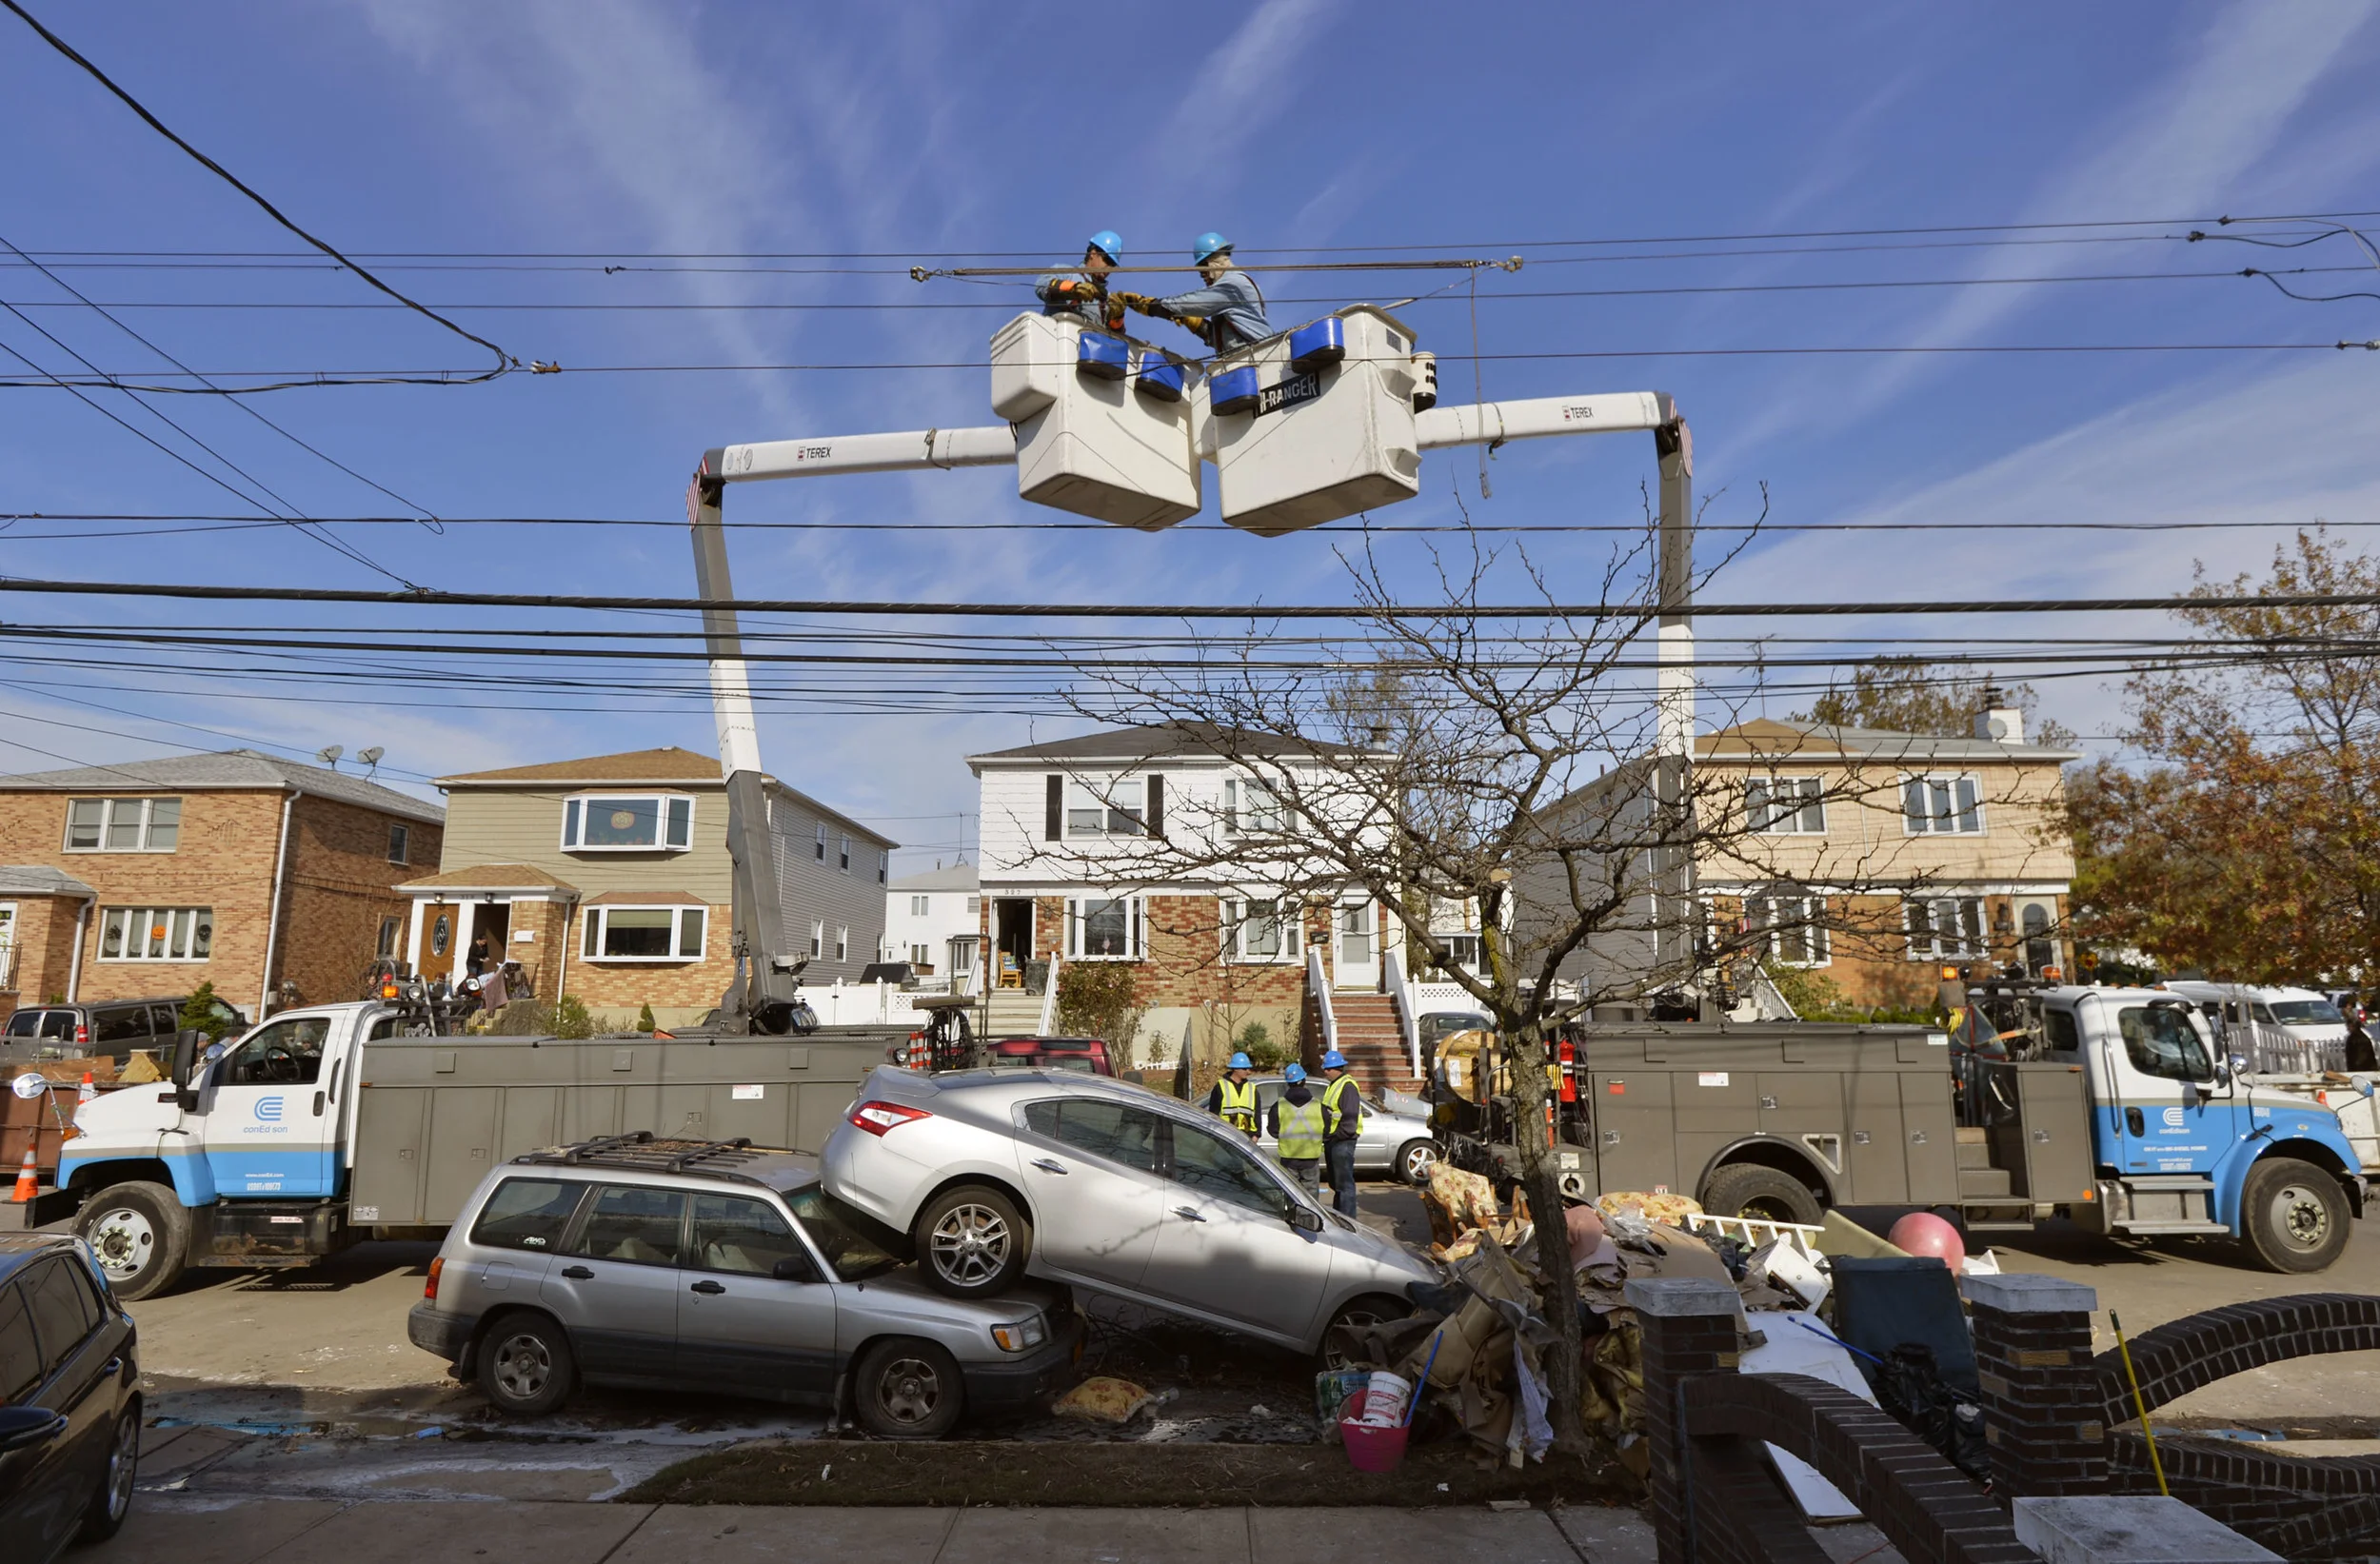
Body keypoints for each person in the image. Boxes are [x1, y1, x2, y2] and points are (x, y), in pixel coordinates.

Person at [1121, 231, 1274, 352]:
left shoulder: (1232, 284)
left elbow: (1188, 303)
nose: (1204, 279)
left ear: (1211, 263)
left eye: (1203, 273)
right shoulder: (1233, 287)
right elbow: (1227, 340)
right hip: (1246, 357)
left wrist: (1148, 305)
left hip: (1257, 356)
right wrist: (1197, 325)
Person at [1035, 229, 1126, 333]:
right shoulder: (1067, 274)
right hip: (1059, 340)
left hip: (1090, 347)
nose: (1108, 267)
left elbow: (1117, 336)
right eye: (1107, 260)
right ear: (1093, 253)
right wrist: (1073, 289)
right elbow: (1041, 285)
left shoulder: (1107, 299)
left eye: (1112, 265)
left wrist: (1118, 316)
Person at [1268, 1062, 1325, 1194]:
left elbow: (1273, 1130)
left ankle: (1294, 1215)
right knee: (1310, 1194)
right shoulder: (1318, 1105)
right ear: (1304, 1081)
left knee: (1291, 1193)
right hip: (1311, 1158)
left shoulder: (1279, 1105)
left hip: (1288, 1158)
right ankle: (1308, 1215)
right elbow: (1327, 1129)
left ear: (1288, 1083)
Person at [1319, 1049, 1363, 1217]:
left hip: (1343, 1141)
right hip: (1335, 1140)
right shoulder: (1335, 1085)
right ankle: (1340, 1216)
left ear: (1337, 1068)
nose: (1325, 1072)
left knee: (1344, 1185)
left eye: (1327, 1069)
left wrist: (1336, 1136)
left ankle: (1348, 1220)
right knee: (1338, 1184)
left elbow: (1349, 1120)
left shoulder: (1347, 1086)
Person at [1205, 1050, 1259, 1138]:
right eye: (1245, 1068)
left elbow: (1257, 1114)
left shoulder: (1252, 1088)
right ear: (1236, 1069)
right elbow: (1213, 1113)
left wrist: (1256, 1135)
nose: (1248, 1071)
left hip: (1247, 1137)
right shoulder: (1221, 1087)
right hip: (1226, 1136)